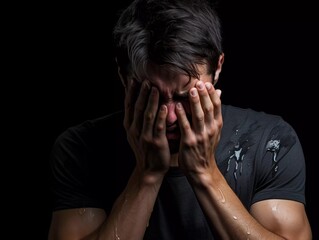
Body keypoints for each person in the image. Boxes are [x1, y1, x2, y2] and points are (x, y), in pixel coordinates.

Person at [47, 0, 312, 239]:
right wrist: (146, 175)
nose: (170, 116)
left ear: (217, 67)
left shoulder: (270, 142)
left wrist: (204, 172)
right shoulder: (80, 148)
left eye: (186, 97)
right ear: (123, 76)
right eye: (151, 96)